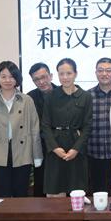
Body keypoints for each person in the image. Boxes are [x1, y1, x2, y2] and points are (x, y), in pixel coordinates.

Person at [0, 61, 43, 197]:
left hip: (22, 152)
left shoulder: (27, 100)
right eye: (3, 76)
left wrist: (37, 155)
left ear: (17, 78)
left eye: (12, 76)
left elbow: (34, 129)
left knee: (21, 193)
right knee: (0, 194)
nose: (8, 80)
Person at [41, 58, 92, 196]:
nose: (65, 77)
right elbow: (45, 125)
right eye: (61, 74)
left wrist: (76, 149)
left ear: (75, 74)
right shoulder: (51, 96)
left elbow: (87, 126)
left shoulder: (86, 96)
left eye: (69, 73)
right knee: (55, 194)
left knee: (77, 192)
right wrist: (55, 148)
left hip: (76, 147)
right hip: (56, 147)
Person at [88, 57, 111, 195]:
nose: (104, 74)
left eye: (108, 70)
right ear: (96, 73)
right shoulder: (87, 95)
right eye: (100, 70)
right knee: (97, 193)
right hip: (94, 152)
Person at [27, 62, 57, 197]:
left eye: (44, 77)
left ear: (51, 76)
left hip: (63, 146)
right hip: (41, 148)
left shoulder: (63, 92)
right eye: (36, 79)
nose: (41, 82)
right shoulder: (29, 98)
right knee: (41, 186)